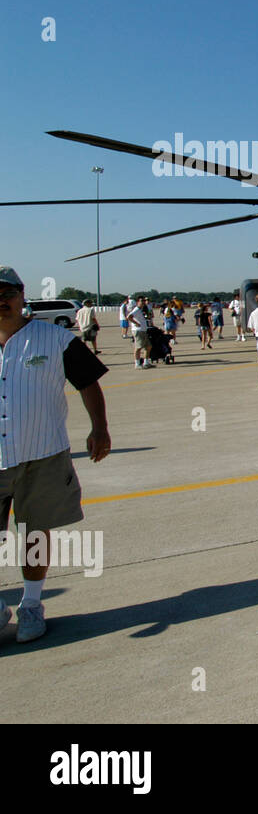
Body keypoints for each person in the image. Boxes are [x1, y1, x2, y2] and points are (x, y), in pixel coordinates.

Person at [0, 266, 111, 642]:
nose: (1, 300)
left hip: (41, 453)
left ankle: (31, 605)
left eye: (7, 293)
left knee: (34, 533)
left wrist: (100, 428)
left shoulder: (54, 338)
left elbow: (88, 384)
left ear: (20, 294)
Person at [127, 296, 151, 369]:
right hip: (138, 331)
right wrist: (136, 323)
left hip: (143, 330)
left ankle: (146, 362)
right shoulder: (136, 309)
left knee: (148, 346)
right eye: (141, 301)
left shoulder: (141, 310)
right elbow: (129, 317)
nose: (143, 302)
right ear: (138, 302)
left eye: (144, 301)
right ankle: (137, 364)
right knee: (138, 347)